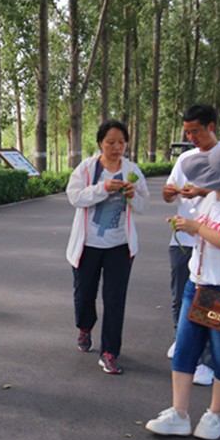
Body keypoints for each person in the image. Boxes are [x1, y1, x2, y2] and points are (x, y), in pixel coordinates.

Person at [146, 144, 220, 440]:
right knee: (185, 349)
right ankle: (179, 413)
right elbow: (201, 232)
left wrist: (195, 227)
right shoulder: (211, 199)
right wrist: (184, 225)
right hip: (197, 284)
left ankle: (214, 415)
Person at [161, 104, 220, 386]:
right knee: (181, 297)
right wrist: (169, 192)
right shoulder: (185, 158)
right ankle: (184, 342)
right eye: (187, 132)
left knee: (215, 305)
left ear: (211, 127)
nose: (191, 138)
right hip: (184, 239)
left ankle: (209, 362)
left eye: (195, 131)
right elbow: (167, 193)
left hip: (214, 243)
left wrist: (202, 191)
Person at [65, 119, 149, 375]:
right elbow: (75, 197)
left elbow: (144, 205)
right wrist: (103, 188)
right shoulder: (87, 168)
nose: (116, 147)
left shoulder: (132, 170)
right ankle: (85, 327)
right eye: (110, 142)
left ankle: (110, 352)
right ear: (100, 143)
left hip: (119, 246)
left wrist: (133, 196)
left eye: (121, 142)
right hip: (87, 245)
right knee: (84, 295)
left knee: (115, 300)